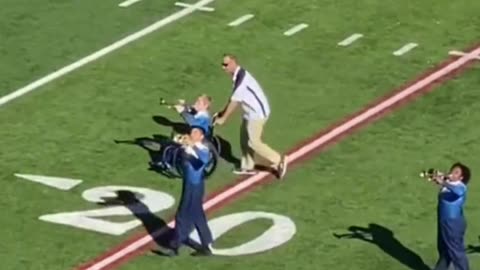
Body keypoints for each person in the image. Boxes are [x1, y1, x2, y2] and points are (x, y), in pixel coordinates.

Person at [214, 54, 287, 179]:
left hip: (257, 114)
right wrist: (222, 112)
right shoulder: (238, 76)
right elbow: (233, 98)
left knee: (254, 142)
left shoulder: (241, 81)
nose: (223, 67)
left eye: (225, 65)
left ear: (233, 63)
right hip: (250, 112)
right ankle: (247, 166)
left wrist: (223, 118)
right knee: (244, 137)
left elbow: (234, 102)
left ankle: (278, 160)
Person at [168, 125, 214, 256]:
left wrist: (191, 145)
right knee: (196, 215)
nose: (191, 134)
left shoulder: (203, 149)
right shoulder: (189, 146)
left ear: (201, 136)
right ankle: (205, 244)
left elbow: (200, 162)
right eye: (191, 132)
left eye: (195, 132)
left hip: (195, 186)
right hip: (189, 185)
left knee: (183, 214)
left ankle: (175, 245)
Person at [431, 162, 471, 270]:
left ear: (461, 177)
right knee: (444, 249)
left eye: (456, 172)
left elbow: (457, 191)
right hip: (443, 221)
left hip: (453, 223)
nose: (452, 173)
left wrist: (443, 182)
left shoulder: (460, 186)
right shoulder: (449, 184)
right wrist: (438, 178)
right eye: (452, 171)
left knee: (456, 251)